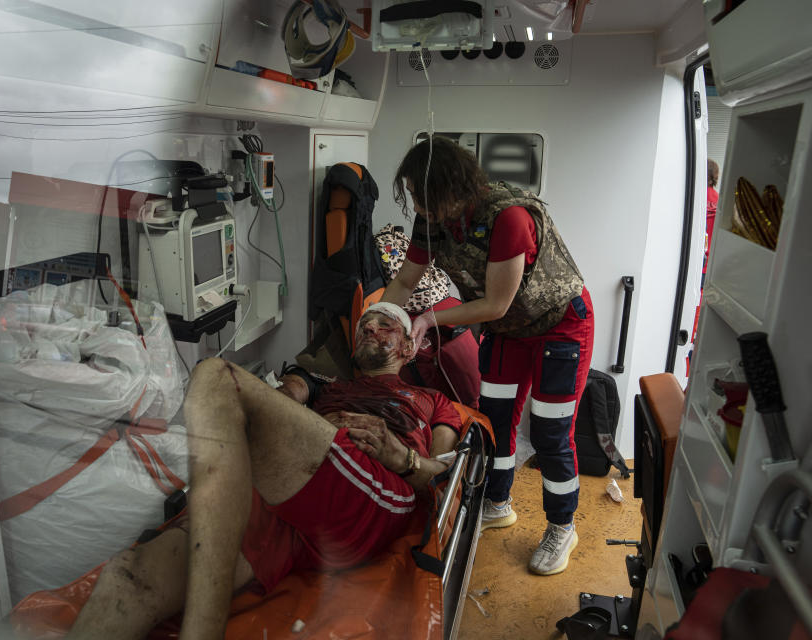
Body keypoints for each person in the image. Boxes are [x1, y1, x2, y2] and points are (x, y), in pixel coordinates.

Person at [66, 302, 462, 640]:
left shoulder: (432, 400)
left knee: (217, 378)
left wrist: (402, 458)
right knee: (130, 576)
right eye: (364, 326)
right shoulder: (329, 387)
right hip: (294, 495)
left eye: (385, 325)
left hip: (370, 490)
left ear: (409, 346)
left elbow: (442, 479)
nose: (371, 329)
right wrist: (289, 393)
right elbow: (292, 393)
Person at [381, 136, 594, 576]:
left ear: (448, 187)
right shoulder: (433, 218)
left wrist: (429, 321)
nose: (417, 205)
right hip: (508, 332)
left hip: (560, 325)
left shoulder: (509, 218)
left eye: (423, 194)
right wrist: (382, 318)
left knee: (552, 433)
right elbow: (404, 282)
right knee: (493, 421)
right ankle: (497, 502)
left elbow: (495, 303)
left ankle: (562, 526)